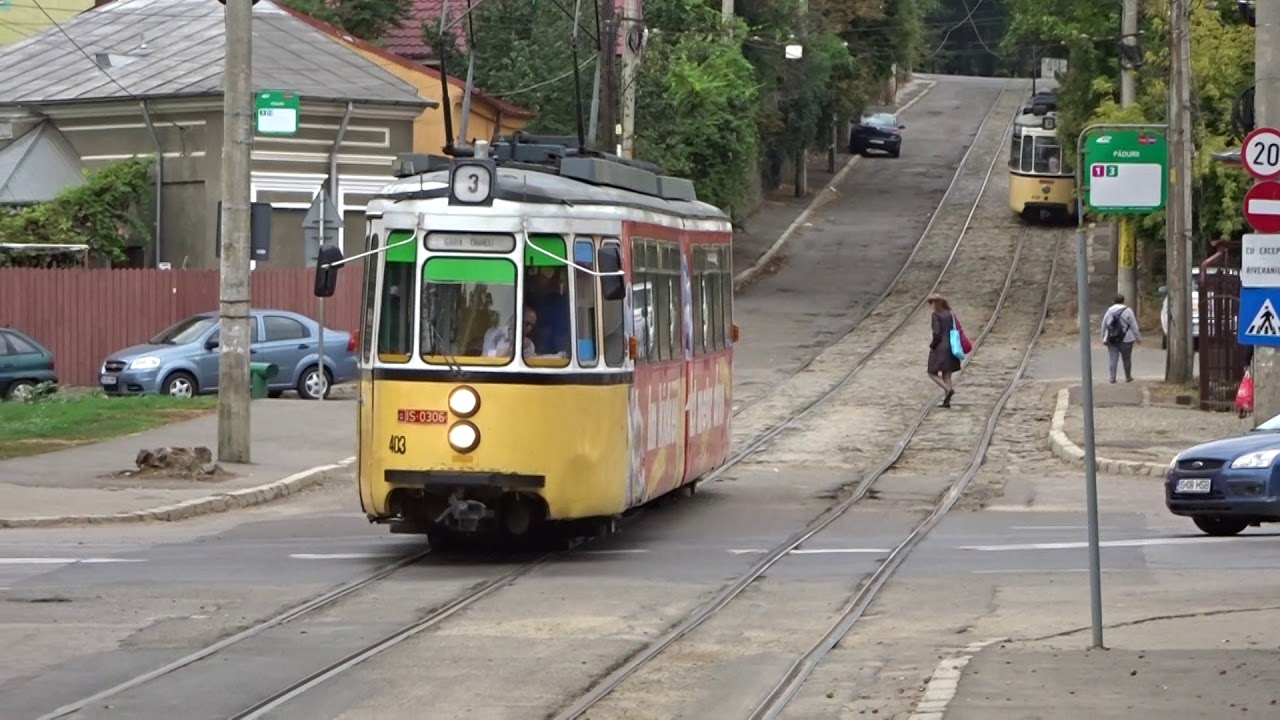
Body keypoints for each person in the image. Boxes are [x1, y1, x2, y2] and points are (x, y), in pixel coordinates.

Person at [927, 294, 962, 408]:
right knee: (947, 374)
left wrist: (932, 345)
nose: (930, 306)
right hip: (951, 346)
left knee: (932, 372)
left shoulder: (936, 315)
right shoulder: (950, 314)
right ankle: (947, 401)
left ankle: (948, 389)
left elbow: (937, 333)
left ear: (934, 303)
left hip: (940, 347)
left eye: (930, 303)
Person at [1101, 293, 1141, 383]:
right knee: (1127, 358)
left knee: (1113, 358)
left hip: (1112, 337)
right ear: (1123, 301)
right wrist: (1138, 337)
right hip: (1127, 338)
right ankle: (1128, 376)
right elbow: (1134, 325)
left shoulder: (1109, 311)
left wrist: (1103, 336)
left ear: (1113, 301)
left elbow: (1104, 325)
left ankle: (1112, 377)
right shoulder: (1128, 311)